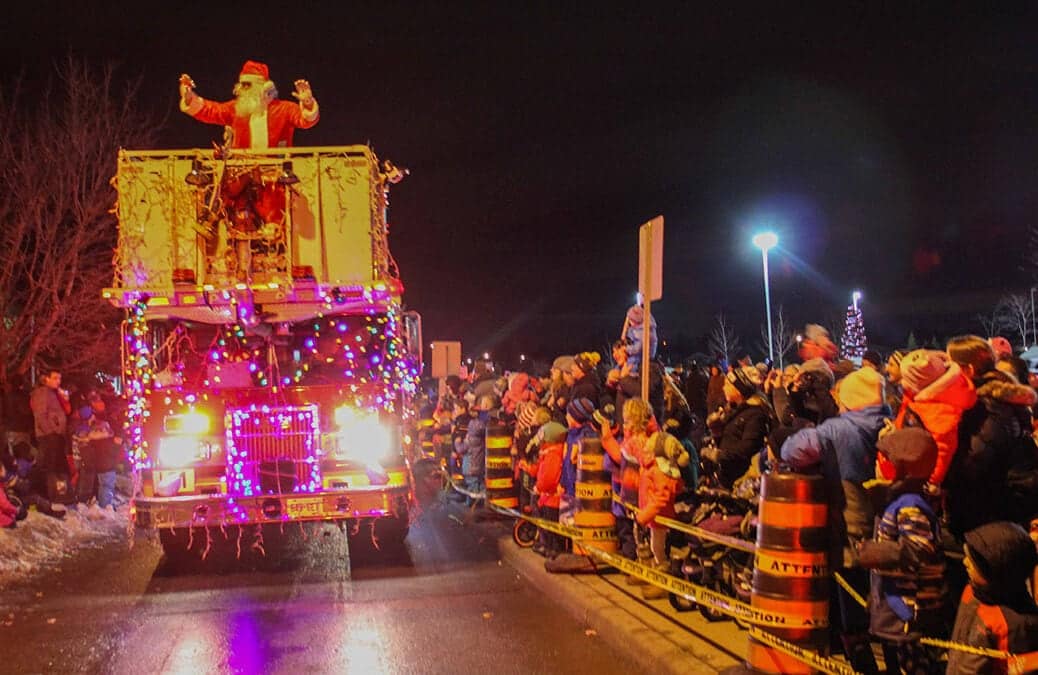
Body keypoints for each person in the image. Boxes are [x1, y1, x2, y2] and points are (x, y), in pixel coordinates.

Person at [780, 367, 890, 673]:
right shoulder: (892, 421)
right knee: (888, 606)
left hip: (850, 528)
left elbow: (792, 450)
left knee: (851, 604)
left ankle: (861, 664)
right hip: (890, 530)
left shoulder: (838, 430)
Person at [859, 427, 946, 674]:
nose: (877, 465)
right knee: (895, 660)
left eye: (884, 461)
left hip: (907, 609)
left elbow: (918, 550)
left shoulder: (911, 506)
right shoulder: (899, 500)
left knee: (912, 664)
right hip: (893, 603)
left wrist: (874, 552)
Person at [945, 335, 1038, 538]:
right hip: (996, 514)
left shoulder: (986, 408)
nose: (946, 372)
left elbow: (974, 467)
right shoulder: (991, 398)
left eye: (950, 366)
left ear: (968, 370)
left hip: (989, 520)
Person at [876, 349, 976, 497]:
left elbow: (944, 449)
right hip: (907, 470)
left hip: (917, 481)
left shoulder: (939, 409)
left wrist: (933, 481)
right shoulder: (919, 396)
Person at [946, 521, 1038, 674]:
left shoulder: (1015, 625)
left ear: (996, 573)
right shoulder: (972, 591)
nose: (965, 562)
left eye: (972, 562)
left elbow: (1016, 667)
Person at [179, 61, 319, 150]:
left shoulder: (284, 109)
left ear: (262, 87)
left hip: (275, 175)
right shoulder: (236, 108)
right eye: (241, 84)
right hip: (242, 174)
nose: (241, 89)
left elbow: (306, 121)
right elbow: (210, 111)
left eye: (247, 85)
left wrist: (308, 102)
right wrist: (190, 98)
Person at [635, 430, 687, 600]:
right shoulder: (655, 467)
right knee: (654, 546)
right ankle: (656, 576)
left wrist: (643, 516)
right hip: (653, 517)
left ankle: (663, 580)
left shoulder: (661, 472)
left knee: (658, 549)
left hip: (658, 518)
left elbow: (660, 500)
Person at [702, 366, 772, 489]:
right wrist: (717, 432)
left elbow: (748, 449)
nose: (724, 388)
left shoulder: (756, 414)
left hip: (742, 479)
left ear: (740, 389)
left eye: (728, 385)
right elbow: (730, 440)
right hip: (727, 474)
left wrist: (719, 455)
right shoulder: (734, 410)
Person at [30, 368, 71, 503]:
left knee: (54, 465)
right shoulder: (42, 393)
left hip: (55, 435)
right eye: (55, 378)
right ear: (45, 379)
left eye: (59, 378)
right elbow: (40, 415)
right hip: (49, 436)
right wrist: (50, 431)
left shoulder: (53, 393)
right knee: (47, 465)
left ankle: (55, 494)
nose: (58, 381)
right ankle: (44, 494)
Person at [73, 405, 121, 510]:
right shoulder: (88, 431)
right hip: (91, 463)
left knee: (93, 483)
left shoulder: (84, 430)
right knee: (96, 484)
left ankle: (89, 501)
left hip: (90, 462)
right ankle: (96, 503)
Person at [532, 421, 569, 558]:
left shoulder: (553, 455)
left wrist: (538, 487)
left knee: (552, 525)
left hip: (552, 498)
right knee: (548, 524)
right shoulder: (549, 452)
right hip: (548, 497)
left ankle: (554, 549)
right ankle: (548, 546)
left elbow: (549, 477)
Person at [622, 304, 658, 375]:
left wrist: (627, 348)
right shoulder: (642, 329)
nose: (630, 323)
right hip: (642, 357)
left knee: (630, 364)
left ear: (636, 320)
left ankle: (632, 373)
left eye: (631, 320)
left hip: (640, 358)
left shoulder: (642, 332)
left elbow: (637, 348)